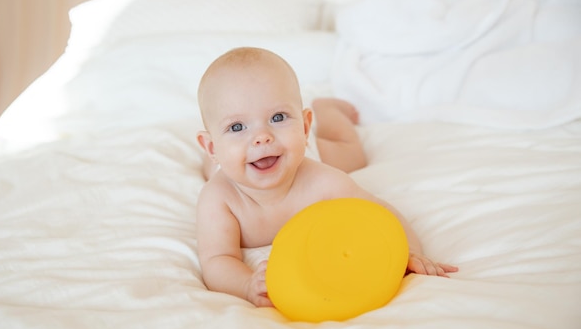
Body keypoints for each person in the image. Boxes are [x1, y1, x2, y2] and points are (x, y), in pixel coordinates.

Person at [195, 47, 458, 307]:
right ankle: (217, 157)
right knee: (220, 167)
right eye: (237, 127)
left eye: (278, 117)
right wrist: (246, 284)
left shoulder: (321, 181)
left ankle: (329, 111)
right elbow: (217, 259)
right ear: (211, 147)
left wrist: (407, 253)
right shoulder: (220, 201)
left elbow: (381, 212)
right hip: (228, 165)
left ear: (305, 126)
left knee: (352, 154)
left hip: (306, 153)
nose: (262, 136)